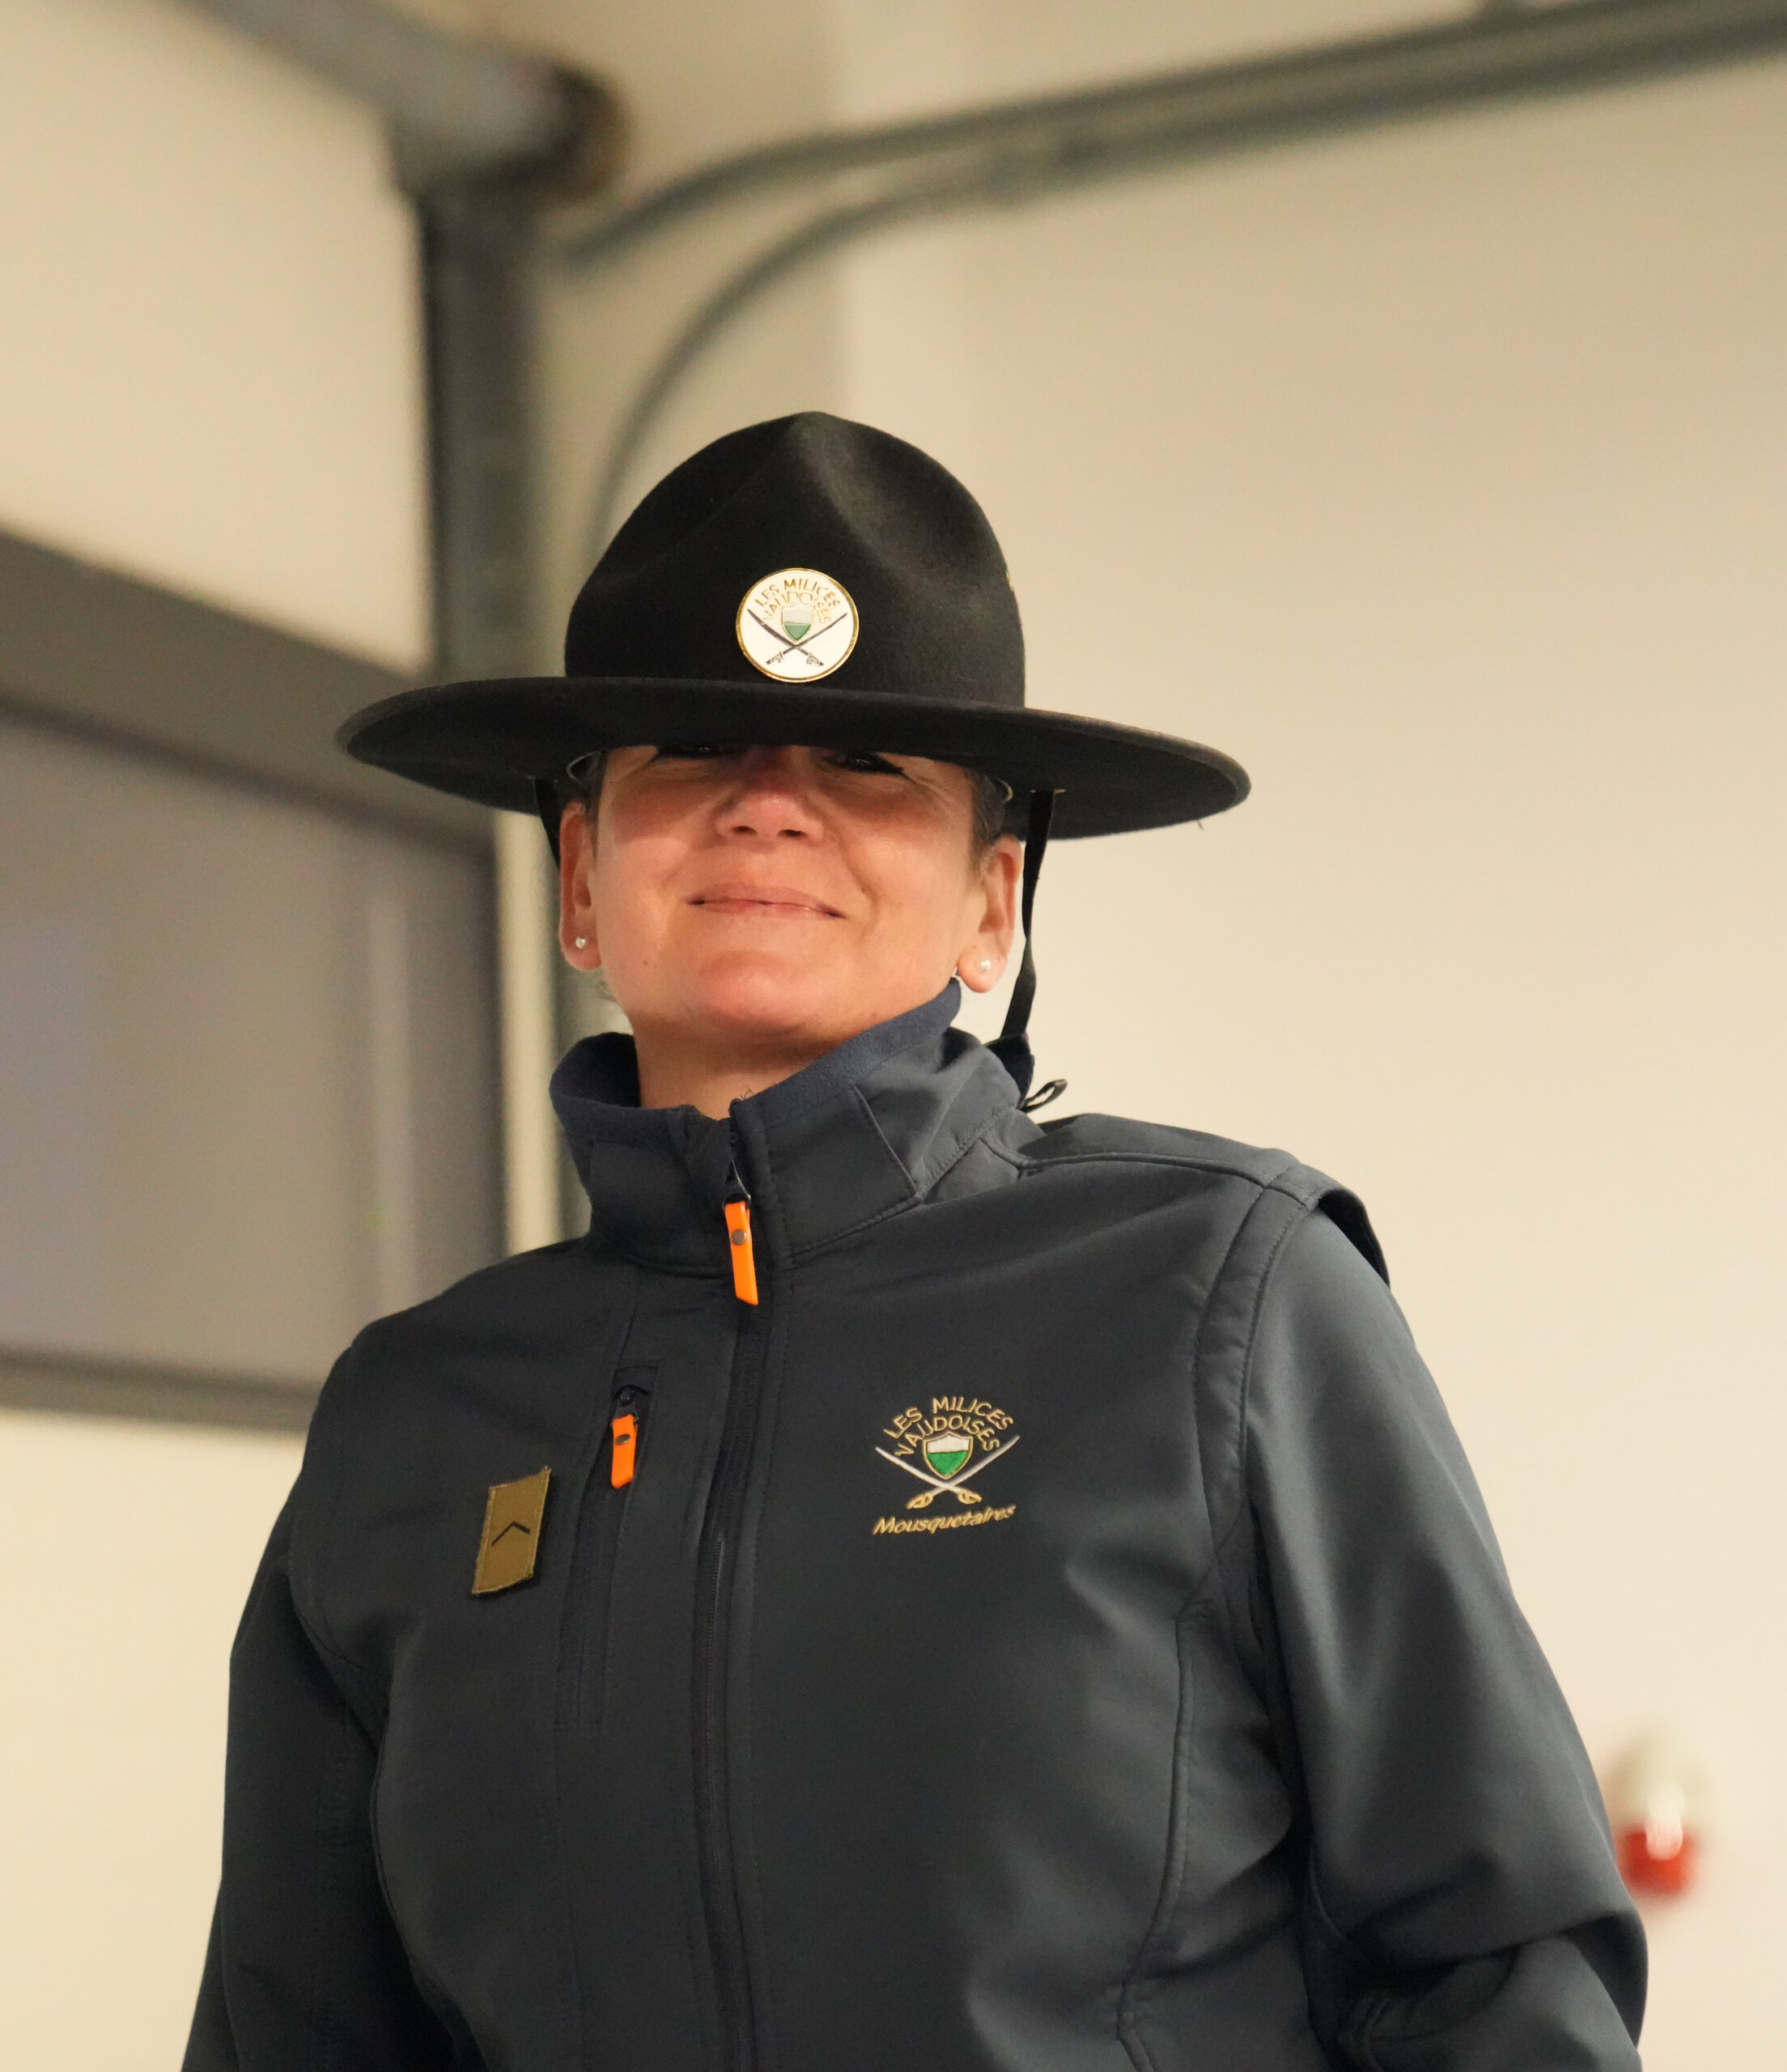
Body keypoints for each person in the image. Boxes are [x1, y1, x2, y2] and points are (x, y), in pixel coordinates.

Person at [186, 412, 1644, 2070]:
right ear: (582, 875)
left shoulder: (1223, 1298)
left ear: (991, 900)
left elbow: (1497, 1972)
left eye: (868, 765)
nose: (768, 807)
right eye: (690, 751)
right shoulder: (413, 1415)